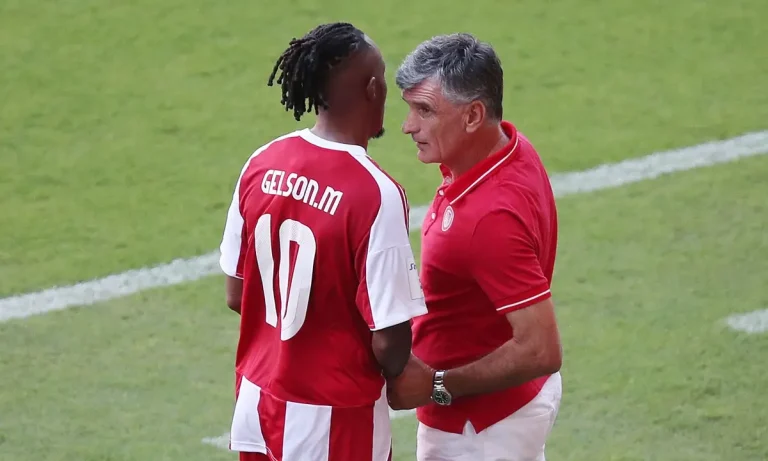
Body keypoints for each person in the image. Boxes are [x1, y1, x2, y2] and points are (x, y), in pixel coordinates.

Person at [218, 22, 427, 461]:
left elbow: (237, 293)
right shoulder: (376, 193)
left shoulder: (262, 161)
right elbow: (390, 341)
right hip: (334, 421)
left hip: (256, 401)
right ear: (373, 88)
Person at [387, 33, 564, 461]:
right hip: (504, 416)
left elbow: (541, 349)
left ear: (473, 116)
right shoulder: (505, 149)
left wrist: (437, 385)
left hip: (479, 430)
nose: (408, 126)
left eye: (425, 111)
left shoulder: (488, 219)